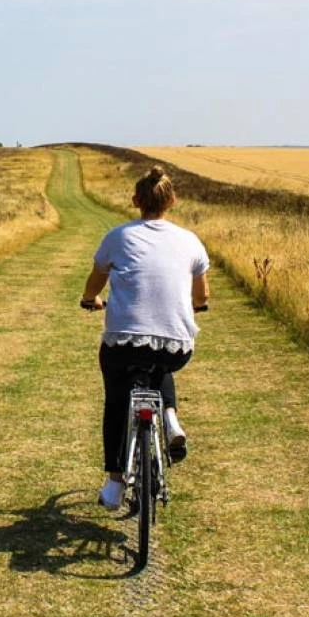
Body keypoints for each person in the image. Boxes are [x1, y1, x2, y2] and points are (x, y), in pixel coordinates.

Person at [80, 166, 210, 511]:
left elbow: (95, 282)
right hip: (176, 345)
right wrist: (195, 306)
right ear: (173, 201)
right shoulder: (190, 241)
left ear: (136, 200)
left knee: (116, 401)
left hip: (123, 342)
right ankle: (169, 417)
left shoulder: (118, 237)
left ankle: (114, 484)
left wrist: (90, 299)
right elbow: (202, 297)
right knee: (160, 357)